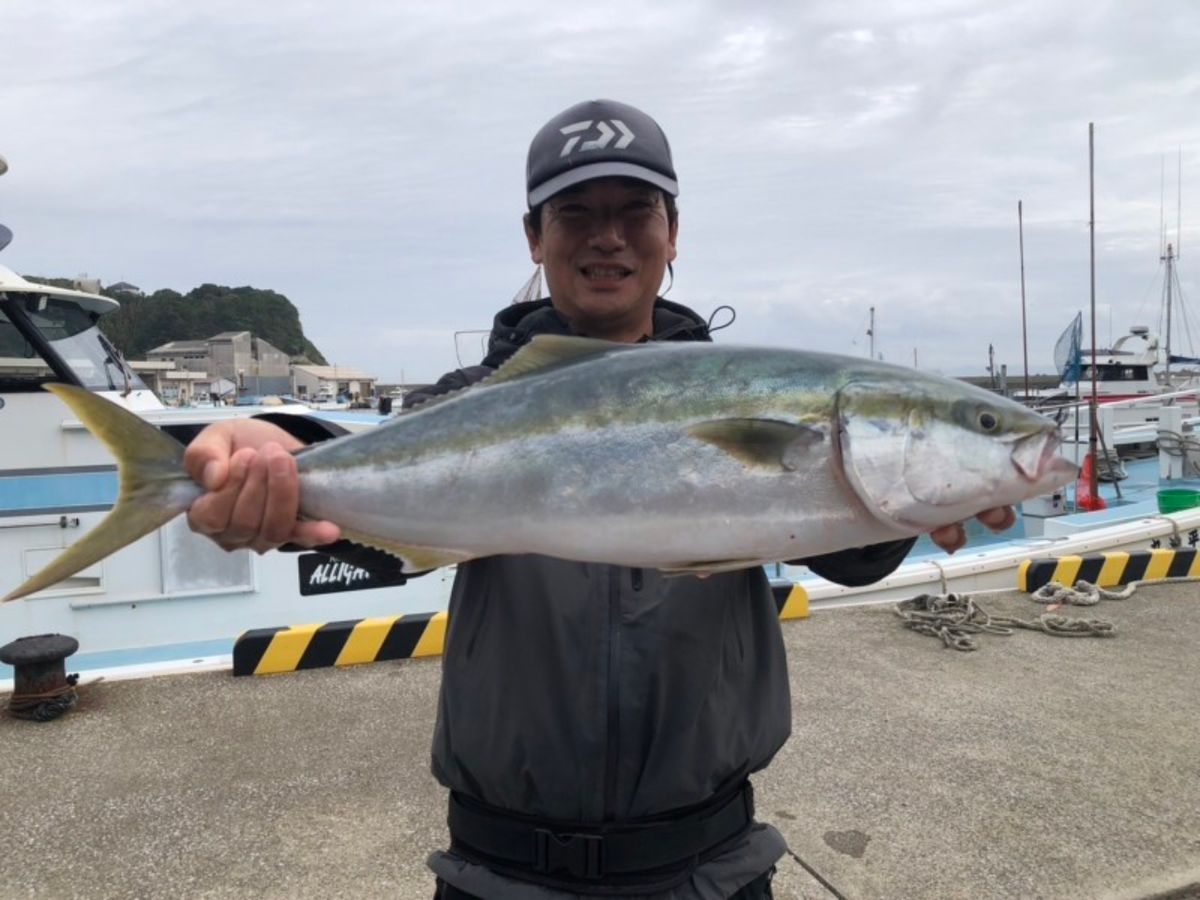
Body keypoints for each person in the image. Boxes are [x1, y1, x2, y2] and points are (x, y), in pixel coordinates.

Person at [184, 99, 1015, 899]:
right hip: (497, 869)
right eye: (576, 212)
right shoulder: (472, 399)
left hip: (712, 864)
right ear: (535, 238)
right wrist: (276, 462)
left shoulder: (753, 389)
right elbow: (357, 508)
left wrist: (914, 501)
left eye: (636, 209)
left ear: (673, 231)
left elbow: (846, 552)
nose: (608, 236)